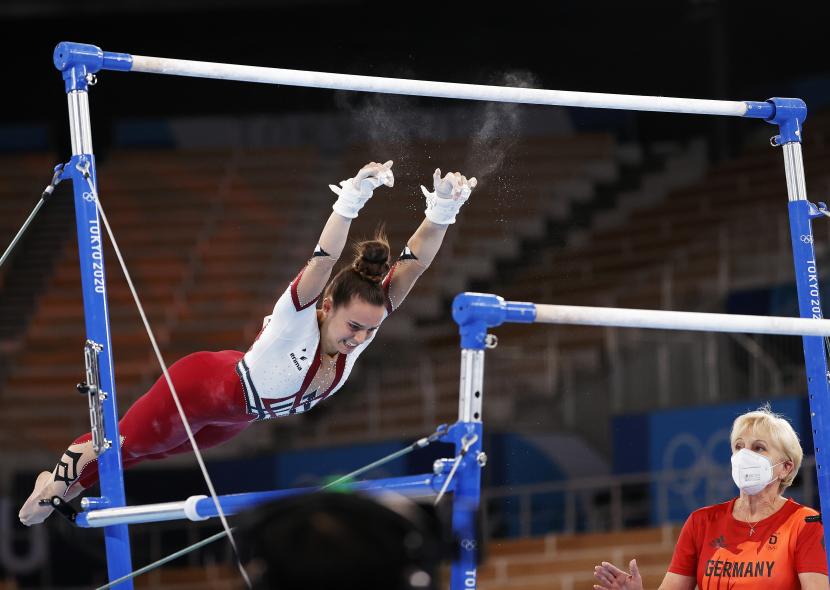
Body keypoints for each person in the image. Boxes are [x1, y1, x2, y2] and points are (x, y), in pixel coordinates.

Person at [19, 160, 477, 525]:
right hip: (203, 387)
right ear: (326, 306)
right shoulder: (297, 314)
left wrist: (441, 210)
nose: (359, 338)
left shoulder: (364, 320)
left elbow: (412, 267)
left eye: (369, 331)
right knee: (128, 446)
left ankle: (72, 483)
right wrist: (352, 198)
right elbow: (325, 257)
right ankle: (60, 478)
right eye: (353, 326)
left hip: (240, 416)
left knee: (149, 454)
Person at [593, 405, 829, 589]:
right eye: (738, 447)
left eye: (758, 448)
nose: (745, 455)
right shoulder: (701, 523)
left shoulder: (804, 524)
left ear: (785, 467)